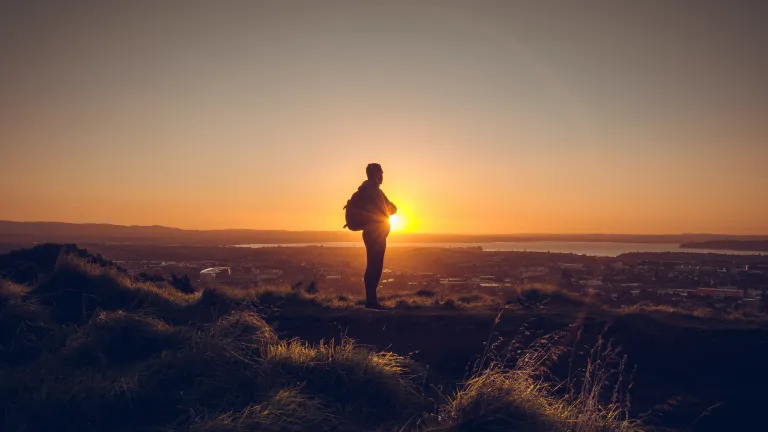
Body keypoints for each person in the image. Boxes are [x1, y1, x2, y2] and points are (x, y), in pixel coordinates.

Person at [357, 163, 397, 309]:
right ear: (375, 174)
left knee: (372, 266)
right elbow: (393, 208)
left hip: (370, 233)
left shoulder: (366, 190)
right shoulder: (375, 192)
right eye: (381, 173)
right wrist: (387, 210)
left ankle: (371, 300)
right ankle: (371, 302)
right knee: (375, 266)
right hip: (376, 234)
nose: (382, 177)